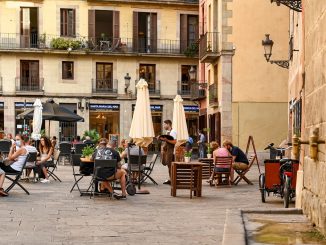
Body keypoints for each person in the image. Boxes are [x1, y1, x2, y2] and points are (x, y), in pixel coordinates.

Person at [159, 120, 177, 185]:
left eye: (164, 124)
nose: (163, 126)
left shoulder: (173, 132)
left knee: (171, 166)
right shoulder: (168, 132)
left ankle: (173, 180)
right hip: (168, 151)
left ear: (168, 124)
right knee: (169, 166)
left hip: (172, 152)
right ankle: (171, 179)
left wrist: (166, 140)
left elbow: (175, 142)